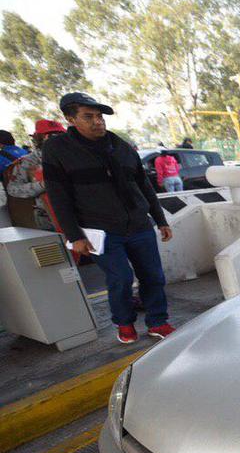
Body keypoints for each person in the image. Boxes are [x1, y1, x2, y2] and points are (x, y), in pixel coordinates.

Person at [43, 92, 175, 343]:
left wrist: (160, 220)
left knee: (153, 276)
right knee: (121, 278)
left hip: (138, 224)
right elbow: (58, 196)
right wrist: (74, 236)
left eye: (100, 116)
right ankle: (124, 324)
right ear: (70, 119)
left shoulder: (121, 146)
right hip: (100, 231)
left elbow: (144, 185)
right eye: (89, 116)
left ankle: (158, 321)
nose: (98, 122)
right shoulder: (57, 150)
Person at [4, 119, 66, 230]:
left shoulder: (73, 156)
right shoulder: (28, 162)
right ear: (39, 137)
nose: (57, 139)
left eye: (60, 134)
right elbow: (13, 189)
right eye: (51, 135)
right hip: (48, 219)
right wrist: (42, 185)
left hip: (81, 214)